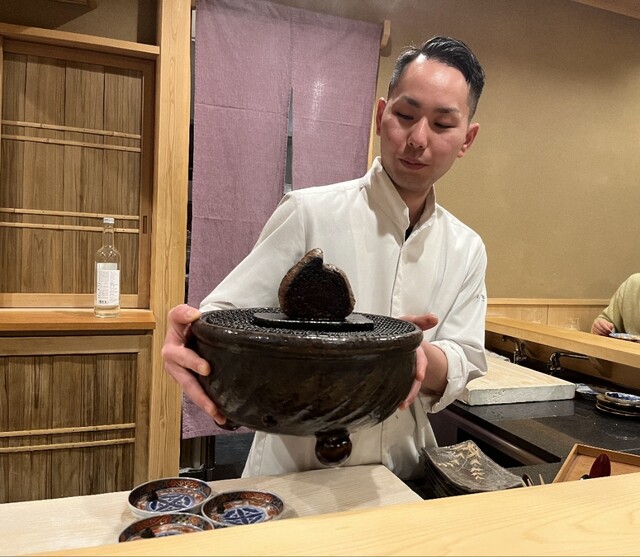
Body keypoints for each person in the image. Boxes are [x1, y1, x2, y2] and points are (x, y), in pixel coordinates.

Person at [162, 36, 488, 481]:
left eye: (443, 124)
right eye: (405, 115)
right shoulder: (308, 212)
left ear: (467, 139)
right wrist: (192, 339)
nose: (417, 139)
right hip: (292, 469)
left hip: (402, 472)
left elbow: (465, 357)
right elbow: (225, 318)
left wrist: (407, 354)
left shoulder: (466, 247)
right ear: (380, 116)